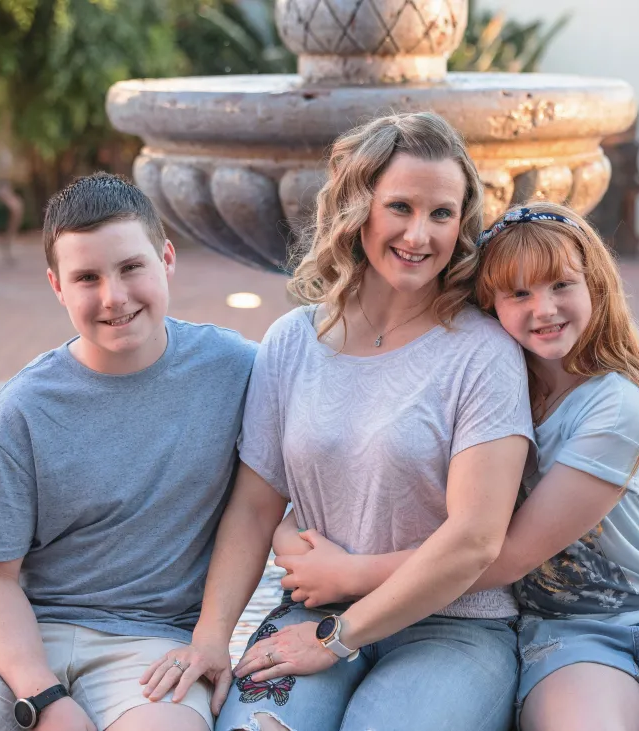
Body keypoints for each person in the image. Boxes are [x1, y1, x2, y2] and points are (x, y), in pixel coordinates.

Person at [141, 112, 533, 731]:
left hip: (453, 628)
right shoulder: (293, 340)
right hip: (311, 611)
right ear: (358, 208)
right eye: (400, 206)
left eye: (441, 213)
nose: (419, 233)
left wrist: (337, 638)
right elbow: (253, 507)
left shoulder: (483, 353)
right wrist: (211, 638)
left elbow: (476, 540)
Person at [0, 173, 257, 731]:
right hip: (20, 634)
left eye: (131, 267)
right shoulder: (24, 409)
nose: (114, 297)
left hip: (152, 644)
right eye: (87, 277)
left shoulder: (236, 369)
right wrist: (43, 699)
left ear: (166, 259)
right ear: (58, 286)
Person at [467, 201, 639, 731]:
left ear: (594, 283)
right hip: (569, 632)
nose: (543, 308)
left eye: (560, 286)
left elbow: (507, 558)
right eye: (519, 293)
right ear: (489, 305)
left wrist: (360, 577)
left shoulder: (618, 403)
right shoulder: (493, 399)